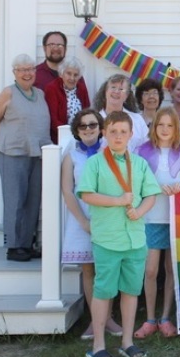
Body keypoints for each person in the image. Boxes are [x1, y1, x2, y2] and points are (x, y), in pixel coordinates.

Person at [78, 111, 160, 357]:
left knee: (130, 291)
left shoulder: (140, 163)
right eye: (113, 131)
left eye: (123, 131)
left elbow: (151, 195)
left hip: (135, 239)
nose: (118, 136)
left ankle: (127, 342)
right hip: (108, 238)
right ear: (104, 132)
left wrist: (140, 211)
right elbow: (86, 194)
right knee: (103, 291)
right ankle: (98, 345)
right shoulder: (95, 163)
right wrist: (117, 201)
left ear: (130, 135)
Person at [60, 109, 122, 340]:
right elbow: (67, 190)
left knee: (107, 267)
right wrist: (83, 221)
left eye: (93, 125)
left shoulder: (110, 151)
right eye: (83, 126)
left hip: (107, 213)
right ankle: (95, 320)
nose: (88, 129)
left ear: (100, 127)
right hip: (81, 216)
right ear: (77, 130)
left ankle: (108, 319)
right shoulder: (71, 155)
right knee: (88, 269)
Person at [135, 107, 180, 339]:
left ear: (176, 128)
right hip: (150, 217)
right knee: (150, 270)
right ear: (154, 127)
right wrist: (157, 189)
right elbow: (136, 186)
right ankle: (149, 318)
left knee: (171, 269)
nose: (165, 129)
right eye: (161, 125)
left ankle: (166, 317)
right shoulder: (142, 151)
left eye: (170, 125)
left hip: (174, 218)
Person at [0, 54, 51, 262]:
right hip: (12, 153)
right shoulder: (8, 92)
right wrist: (7, 140)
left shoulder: (40, 94)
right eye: (22, 69)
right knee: (15, 200)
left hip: (37, 152)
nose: (27, 73)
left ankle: (26, 243)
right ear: (14, 72)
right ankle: (13, 246)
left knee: (32, 201)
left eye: (31, 69)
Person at [93, 74, 149, 153]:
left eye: (121, 89)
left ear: (126, 96)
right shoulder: (93, 121)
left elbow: (148, 148)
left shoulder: (138, 120)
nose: (116, 91)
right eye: (113, 87)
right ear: (105, 91)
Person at [44, 57, 91, 144]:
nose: (72, 78)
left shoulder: (82, 88)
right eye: (68, 73)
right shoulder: (52, 88)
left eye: (76, 75)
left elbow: (88, 113)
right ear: (62, 73)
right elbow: (53, 119)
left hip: (81, 137)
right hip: (59, 138)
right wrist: (70, 135)